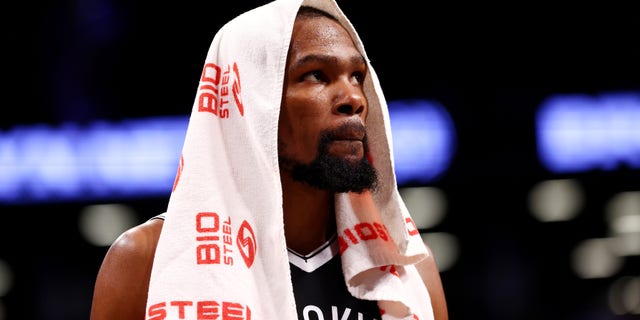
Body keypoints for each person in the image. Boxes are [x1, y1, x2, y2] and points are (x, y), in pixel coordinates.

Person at [90, 1, 448, 319]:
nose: (353, 97)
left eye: (357, 76)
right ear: (248, 103)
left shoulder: (411, 270)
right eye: (316, 75)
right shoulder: (146, 261)